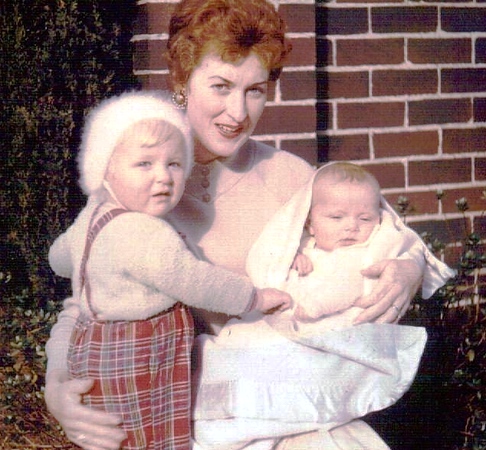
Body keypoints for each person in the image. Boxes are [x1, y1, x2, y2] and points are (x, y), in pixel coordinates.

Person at [44, 1, 442, 448]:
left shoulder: (290, 176)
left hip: (290, 405)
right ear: (182, 81)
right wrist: (57, 385)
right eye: (221, 86)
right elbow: (86, 303)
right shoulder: (141, 181)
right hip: (185, 415)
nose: (238, 112)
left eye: (255, 90)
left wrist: (407, 268)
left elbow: (380, 231)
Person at [48, 91, 291, 450]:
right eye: (144, 164)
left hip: (96, 351)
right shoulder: (143, 232)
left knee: (120, 436)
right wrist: (254, 297)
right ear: (107, 170)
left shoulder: (93, 215)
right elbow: (197, 282)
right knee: (152, 433)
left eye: (174, 164)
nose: (163, 177)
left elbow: (59, 258)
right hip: (142, 355)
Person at [191, 162, 455, 449]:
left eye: (364, 219)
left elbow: (359, 273)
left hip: (325, 336)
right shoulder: (305, 237)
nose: (351, 226)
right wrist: (289, 259)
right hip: (270, 328)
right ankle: (227, 418)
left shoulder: (360, 250)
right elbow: (279, 249)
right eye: (337, 217)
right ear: (310, 223)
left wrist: (410, 265)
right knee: (235, 357)